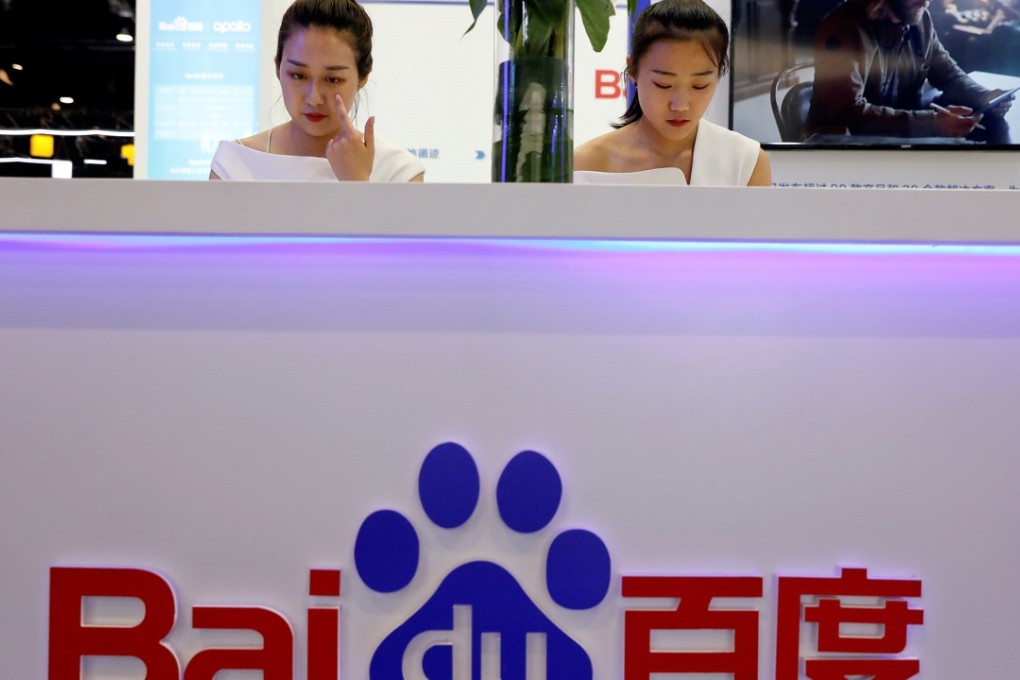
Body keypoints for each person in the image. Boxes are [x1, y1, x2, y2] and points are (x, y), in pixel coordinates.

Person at [210, 0, 423, 182]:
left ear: (363, 76)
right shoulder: (234, 165)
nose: (314, 98)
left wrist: (357, 185)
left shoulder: (399, 173)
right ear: (278, 68)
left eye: (332, 79)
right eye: (298, 75)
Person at [574, 0, 771, 187]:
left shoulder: (746, 161)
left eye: (699, 85)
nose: (680, 105)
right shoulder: (585, 164)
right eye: (663, 84)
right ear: (633, 71)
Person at [805, 0, 1015, 138]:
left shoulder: (920, 18)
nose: (925, 2)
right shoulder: (842, 28)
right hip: (844, 144)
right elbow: (849, 113)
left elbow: (949, 74)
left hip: (900, 137)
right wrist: (933, 124)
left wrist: (984, 97)